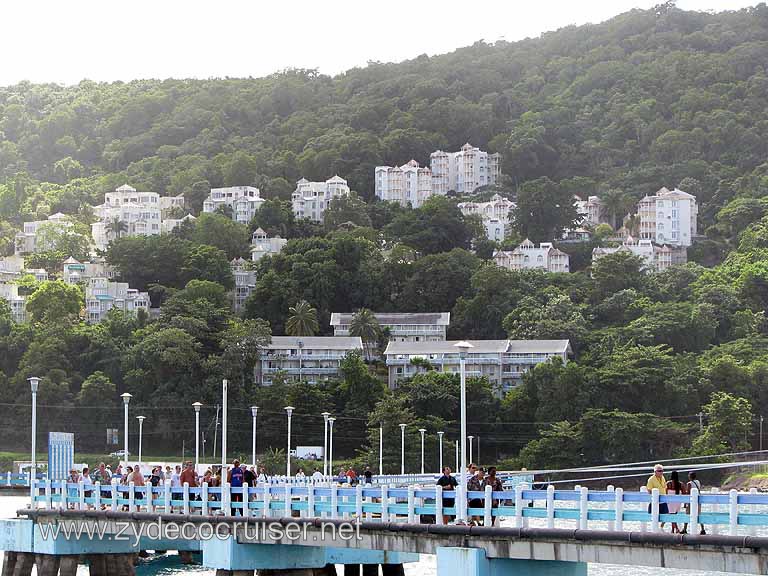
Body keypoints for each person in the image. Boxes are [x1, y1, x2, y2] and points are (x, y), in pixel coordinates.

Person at [646, 464, 668, 529]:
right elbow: (649, 489)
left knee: (666, 516)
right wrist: (653, 498)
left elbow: (665, 487)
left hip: (663, 501)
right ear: (655, 472)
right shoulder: (651, 479)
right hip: (655, 501)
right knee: (653, 516)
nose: (661, 472)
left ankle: (661, 527)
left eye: (662, 471)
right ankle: (654, 529)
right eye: (659, 471)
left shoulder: (663, 477)